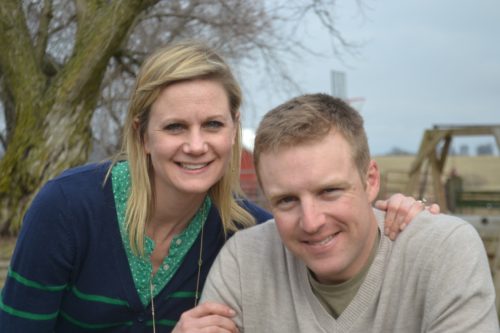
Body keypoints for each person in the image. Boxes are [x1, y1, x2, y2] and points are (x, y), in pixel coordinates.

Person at [0, 41, 430, 333]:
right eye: (174, 127)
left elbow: (337, 247)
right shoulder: (67, 208)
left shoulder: (249, 235)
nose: (195, 145)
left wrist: (403, 221)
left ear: (233, 128)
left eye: (212, 124)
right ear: (142, 135)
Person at [201, 93, 499, 332]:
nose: (312, 221)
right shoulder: (244, 260)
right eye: (287, 200)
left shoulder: (442, 251)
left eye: (329, 192)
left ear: (370, 181)